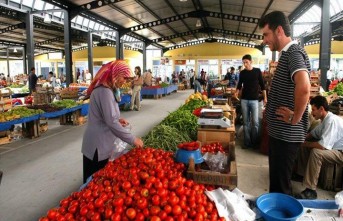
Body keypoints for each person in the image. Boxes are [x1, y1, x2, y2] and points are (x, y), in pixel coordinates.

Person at [259, 11, 311, 195]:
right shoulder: (287, 55)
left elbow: (304, 86)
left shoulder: (293, 53)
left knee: (281, 188)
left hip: (286, 135)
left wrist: (295, 117)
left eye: (266, 34)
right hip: (281, 134)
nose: (264, 40)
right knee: (277, 185)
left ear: (279, 30)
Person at [81, 60, 144, 183]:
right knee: (94, 182)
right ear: (115, 74)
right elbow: (111, 122)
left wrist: (118, 119)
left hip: (100, 142)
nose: (124, 82)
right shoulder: (105, 91)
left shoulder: (108, 89)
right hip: (97, 145)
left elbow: (108, 116)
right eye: (123, 78)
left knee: (96, 182)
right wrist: (133, 139)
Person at [294, 96, 343, 199]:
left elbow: (322, 146)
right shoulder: (324, 120)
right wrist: (301, 139)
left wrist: (304, 143)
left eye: (314, 110)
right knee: (305, 144)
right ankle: (301, 174)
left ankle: (311, 190)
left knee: (317, 152)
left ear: (321, 109)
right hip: (334, 150)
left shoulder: (331, 121)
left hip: (340, 153)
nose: (312, 113)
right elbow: (313, 134)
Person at [235, 54, 267, 149]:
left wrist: (265, 98)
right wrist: (236, 92)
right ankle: (247, 142)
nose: (245, 64)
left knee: (255, 122)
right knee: (246, 122)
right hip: (244, 100)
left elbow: (262, 85)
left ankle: (254, 143)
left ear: (251, 62)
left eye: (246, 62)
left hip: (254, 100)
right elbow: (239, 85)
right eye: (244, 62)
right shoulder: (243, 73)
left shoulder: (257, 71)